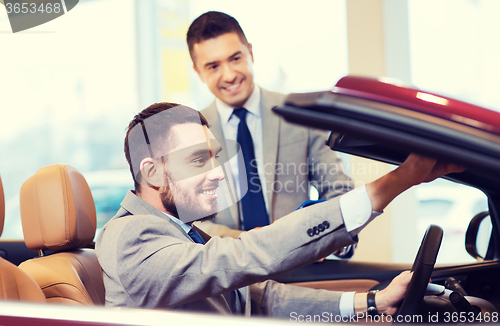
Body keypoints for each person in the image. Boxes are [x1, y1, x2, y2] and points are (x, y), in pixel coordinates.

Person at [95, 103, 465, 318]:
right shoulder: (129, 236)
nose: (218, 174)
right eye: (197, 160)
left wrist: (371, 301)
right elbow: (243, 255)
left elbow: (261, 298)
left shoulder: (182, 231)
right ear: (153, 172)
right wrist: (397, 181)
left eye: (215, 157)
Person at [186, 11, 354, 239]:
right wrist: (245, 241)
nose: (229, 75)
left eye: (235, 58)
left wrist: (324, 235)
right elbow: (187, 220)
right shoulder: (190, 133)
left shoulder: (299, 114)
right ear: (198, 72)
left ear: (251, 53)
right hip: (226, 267)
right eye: (213, 66)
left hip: (298, 263)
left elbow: (338, 190)